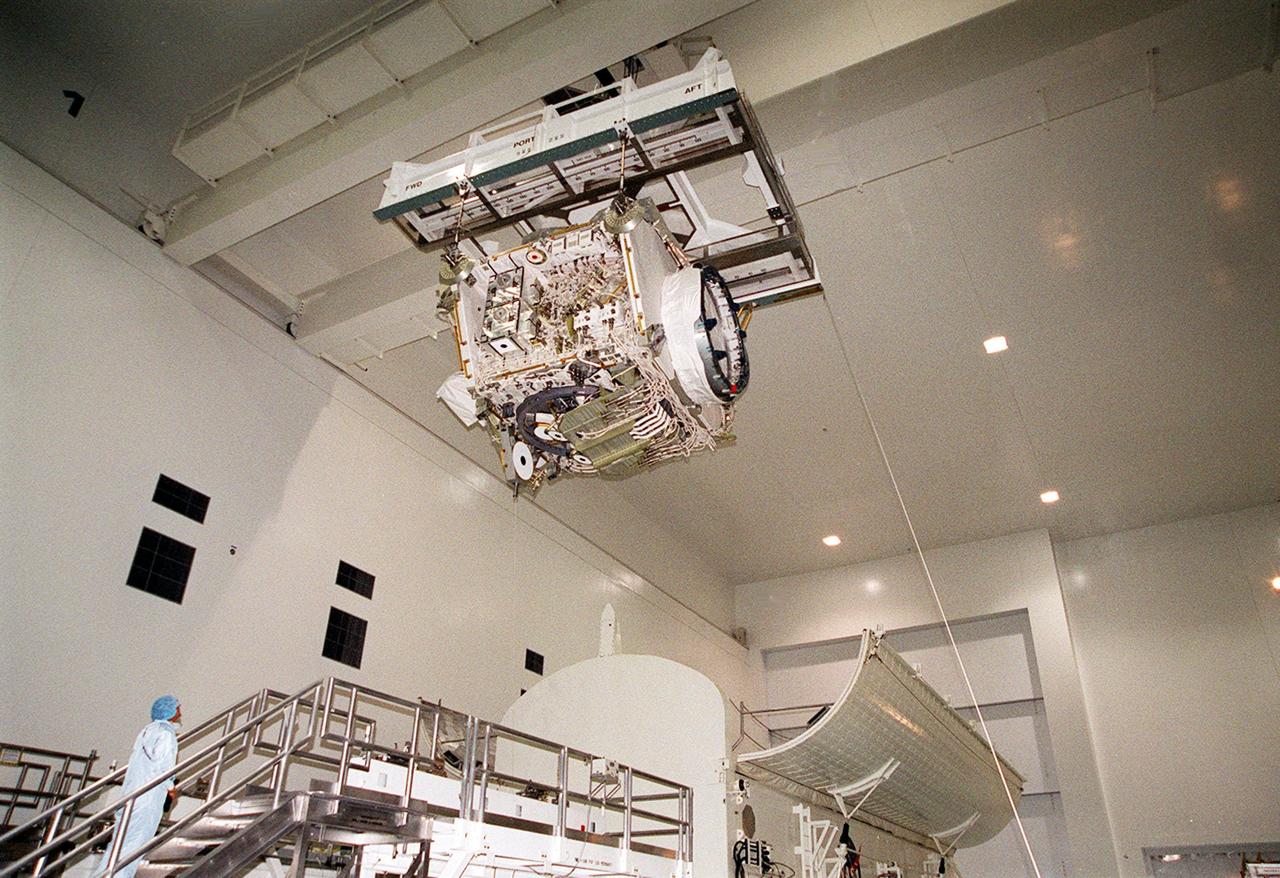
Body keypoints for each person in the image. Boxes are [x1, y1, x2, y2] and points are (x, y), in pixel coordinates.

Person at [97, 696, 182, 877]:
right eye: (177, 707)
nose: (180, 711)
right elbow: (163, 766)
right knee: (133, 848)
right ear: (171, 712)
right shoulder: (166, 735)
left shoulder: (147, 731)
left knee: (117, 845)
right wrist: (170, 787)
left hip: (131, 793)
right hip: (147, 798)